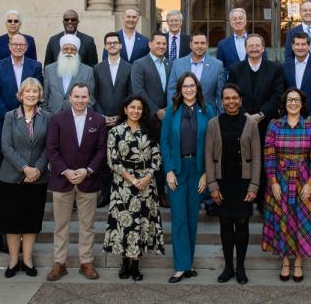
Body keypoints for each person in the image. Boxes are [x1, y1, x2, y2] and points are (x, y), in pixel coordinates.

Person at [45, 83, 108, 282]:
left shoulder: (98, 120)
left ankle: (86, 262)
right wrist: (65, 171)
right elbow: (51, 149)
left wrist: (87, 170)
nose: (80, 100)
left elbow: (101, 150)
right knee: (60, 224)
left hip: (87, 180)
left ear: (89, 98)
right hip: (62, 180)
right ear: (70, 98)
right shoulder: (57, 119)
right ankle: (59, 262)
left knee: (87, 225)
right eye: (77, 96)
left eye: (84, 97)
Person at [262, 89, 311, 283]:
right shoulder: (274, 125)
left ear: (302, 103)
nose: (293, 103)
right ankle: (284, 262)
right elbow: (269, 155)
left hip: (303, 179)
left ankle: (297, 262)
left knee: (300, 220)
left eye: (297, 100)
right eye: (290, 100)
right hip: (280, 178)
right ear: (284, 103)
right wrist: (273, 182)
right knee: (283, 219)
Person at [203, 83, 260, 283]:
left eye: (234, 98)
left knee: (242, 223)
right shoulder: (213, 123)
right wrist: (212, 185)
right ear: (221, 101)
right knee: (225, 223)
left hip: (243, 182)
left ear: (241, 100)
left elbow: (257, 157)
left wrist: (254, 186)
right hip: (222, 181)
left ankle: (241, 268)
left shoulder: (251, 123)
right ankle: (228, 267)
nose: (231, 102)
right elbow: (208, 157)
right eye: (227, 98)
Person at [103, 94, 165, 281]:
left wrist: (147, 177)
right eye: (132, 107)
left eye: (139, 108)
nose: (136, 111)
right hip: (123, 186)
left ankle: (136, 266)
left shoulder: (150, 130)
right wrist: (131, 179)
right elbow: (112, 160)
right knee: (124, 224)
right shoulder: (115, 131)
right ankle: (124, 264)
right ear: (125, 109)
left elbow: (157, 157)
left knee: (141, 224)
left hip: (146, 184)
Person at [163, 72, 213, 283]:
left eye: (192, 86)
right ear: (180, 89)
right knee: (179, 219)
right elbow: (164, 142)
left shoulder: (207, 110)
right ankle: (181, 266)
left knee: (192, 218)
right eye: (185, 86)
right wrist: (168, 170)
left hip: (198, 170)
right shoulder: (172, 111)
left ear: (197, 88)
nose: (189, 89)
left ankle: (188, 263)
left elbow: (212, 144)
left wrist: (206, 174)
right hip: (177, 169)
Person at [0, 77, 50, 278]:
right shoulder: (10, 116)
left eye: (34, 92)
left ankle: (27, 259)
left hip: (38, 178)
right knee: (11, 221)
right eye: (27, 91)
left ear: (40, 95)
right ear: (20, 95)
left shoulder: (48, 117)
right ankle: (13, 261)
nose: (31, 95)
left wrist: (36, 169)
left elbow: (49, 147)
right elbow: (6, 146)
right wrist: (24, 168)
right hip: (11, 177)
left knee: (31, 221)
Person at [92, 32, 130, 208]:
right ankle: (105, 194)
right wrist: (102, 116)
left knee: (123, 158)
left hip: (123, 121)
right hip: (103, 121)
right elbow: (94, 96)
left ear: (120, 45)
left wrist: (121, 117)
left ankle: (122, 193)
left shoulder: (129, 68)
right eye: (109, 43)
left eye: (115, 43)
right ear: (105, 47)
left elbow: (131, 95)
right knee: (105, 159)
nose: (113, 46)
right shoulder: (97, 68)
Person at [227, 34, 285, 135]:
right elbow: (231, 95)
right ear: (246, 49)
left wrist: (261, 114)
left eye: (257, 46)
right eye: (251, 46)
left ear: (263, 48)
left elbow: (277, 95)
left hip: (268, 123)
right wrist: (245, 115)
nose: (254, 49)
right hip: (241, 121)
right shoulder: (235, 69)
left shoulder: (275, 69)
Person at [0, 33, 44, 136]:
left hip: (30, 119)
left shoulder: (36, 66)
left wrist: (28, 114)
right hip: (4, 118)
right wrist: (6, 115)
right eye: (15, 44)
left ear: (26, 47)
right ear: (9, 46)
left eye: (22, 45)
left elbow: (39, 91)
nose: (18, 47)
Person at [168, 32, 226, 111]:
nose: (199, 46)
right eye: (196, 43)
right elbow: (172, 90)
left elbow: (220, 94)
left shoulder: (217, 65)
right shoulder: (178, 64)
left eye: (202, 43)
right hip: (182, 112)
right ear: (191, 45)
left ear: (207, 45)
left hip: (207, 114)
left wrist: (221, 116)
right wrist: (172, 111)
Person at [45, 35, 96, 113]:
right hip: (52, 115)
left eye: (73, 49)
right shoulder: (49, 69)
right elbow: (45, 96)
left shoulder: (88, 71)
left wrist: (80, 113)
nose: (69, 52)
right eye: (65, 49)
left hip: (77, 116)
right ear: (61, 50)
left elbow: (91, 98)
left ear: (77, 51)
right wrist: (46, 113)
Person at [131, 31, 171, 117]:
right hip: (148, 114)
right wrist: (156, 111)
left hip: (168, 114)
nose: (161, 46)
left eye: (164, 44)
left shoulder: (170, 64)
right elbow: (138, 91)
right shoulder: (139, 64)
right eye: (158, 43)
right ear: (150, 44)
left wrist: (168, 109)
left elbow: (173, 88)